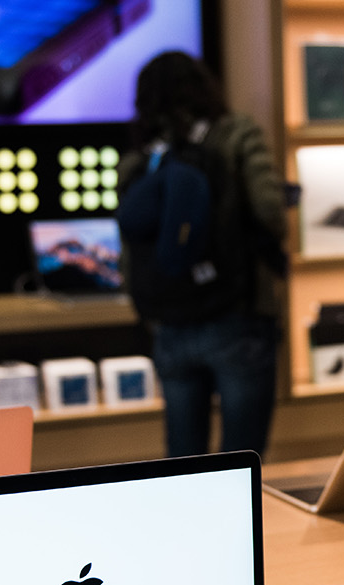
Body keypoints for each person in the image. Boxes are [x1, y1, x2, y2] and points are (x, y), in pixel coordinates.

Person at [117, 51, 288, 458]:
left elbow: (129, 246)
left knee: (183, 463)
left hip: (169, 323)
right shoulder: (236, 134)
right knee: (242, 460)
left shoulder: (139, 159)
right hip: (238, 315)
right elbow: (271, 214)